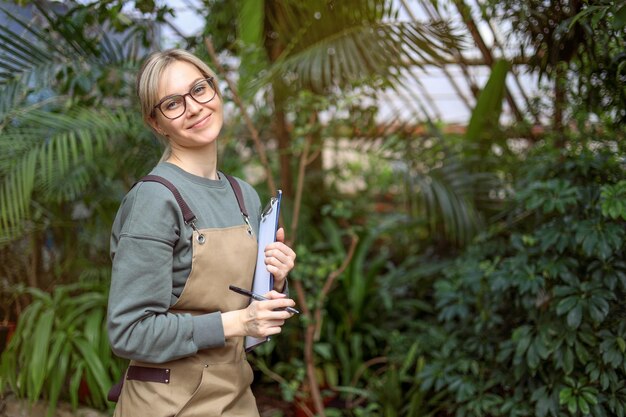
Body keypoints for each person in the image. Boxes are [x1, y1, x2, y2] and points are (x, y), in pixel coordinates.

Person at [107, 48, 297, 417]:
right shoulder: (154, 200)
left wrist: (274, 284)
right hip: (167, 404)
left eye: (199, 89)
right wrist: (239, 322)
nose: (193, 107)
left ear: (216, 91)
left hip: (236, 397)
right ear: (156, 123)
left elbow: (249, 323)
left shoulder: (243, 193)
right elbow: (129, 332)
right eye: (172, 103)